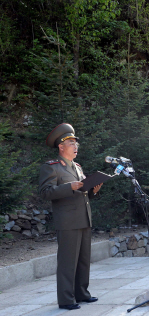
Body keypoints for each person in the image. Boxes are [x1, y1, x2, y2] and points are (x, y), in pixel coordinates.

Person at [39, 123, 102, 310]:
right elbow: (45, 192)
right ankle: (66, 299)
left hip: (84, 218)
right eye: (72, 143)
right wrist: (69, 187)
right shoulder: (51, 168)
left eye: (76, 144)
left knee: (83, 259)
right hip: (67, 221)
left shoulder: (77, 167)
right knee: (68, 262)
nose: (76, 147)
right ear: (61, 146)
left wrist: (93, 191)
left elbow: (82, 192)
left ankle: (82, 294)